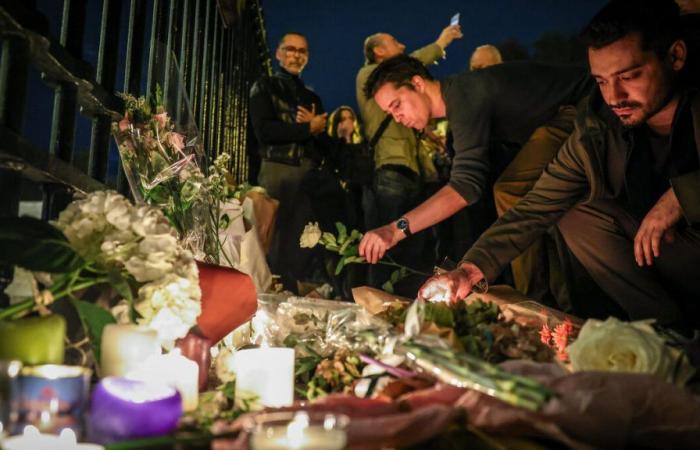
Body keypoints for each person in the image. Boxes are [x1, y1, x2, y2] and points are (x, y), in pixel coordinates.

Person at [419, 0, 700, 334]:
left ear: (675, 56)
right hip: (679, 256)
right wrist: (469, 271)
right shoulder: (598, 127)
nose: (615, 96)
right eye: (601, 81)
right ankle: (667, 332)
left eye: (629, 76)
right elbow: (535, 207)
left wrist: (680, 197)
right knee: (577, 213)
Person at [359, 54, 593, 305]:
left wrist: (394, 230)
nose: (397, 118)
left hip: (582, 105)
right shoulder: (459, 98)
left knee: (510, 190)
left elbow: (465, 187)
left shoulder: (463, 95)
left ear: (417, 83)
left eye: (397, 105)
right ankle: (539, 292)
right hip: (558, 117)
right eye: (389, 113)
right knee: (512, 190)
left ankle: (532, 298)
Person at [356, 26, 462, 292]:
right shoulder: (370, 78)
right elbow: (407, 66)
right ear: (379, 51)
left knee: (414, 242)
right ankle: (380, 302)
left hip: (413, 172)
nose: (402, 46)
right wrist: (441, 43)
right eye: (394, 41)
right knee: (386, 248)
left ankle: (408, 301)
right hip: (391, 171)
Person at [249, 31, 328, 291]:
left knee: (301, 239)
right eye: (290, 49)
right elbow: (265, 132)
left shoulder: (311, 97)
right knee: (271, 236)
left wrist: (314, 130)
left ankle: (290, 292)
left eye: (301, 51)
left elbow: (321, 143)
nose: (296, 55)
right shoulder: (265, 86)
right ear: (279, 54)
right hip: (277, 168)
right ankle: (266, 292)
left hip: (307, 174)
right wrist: (308, 128)